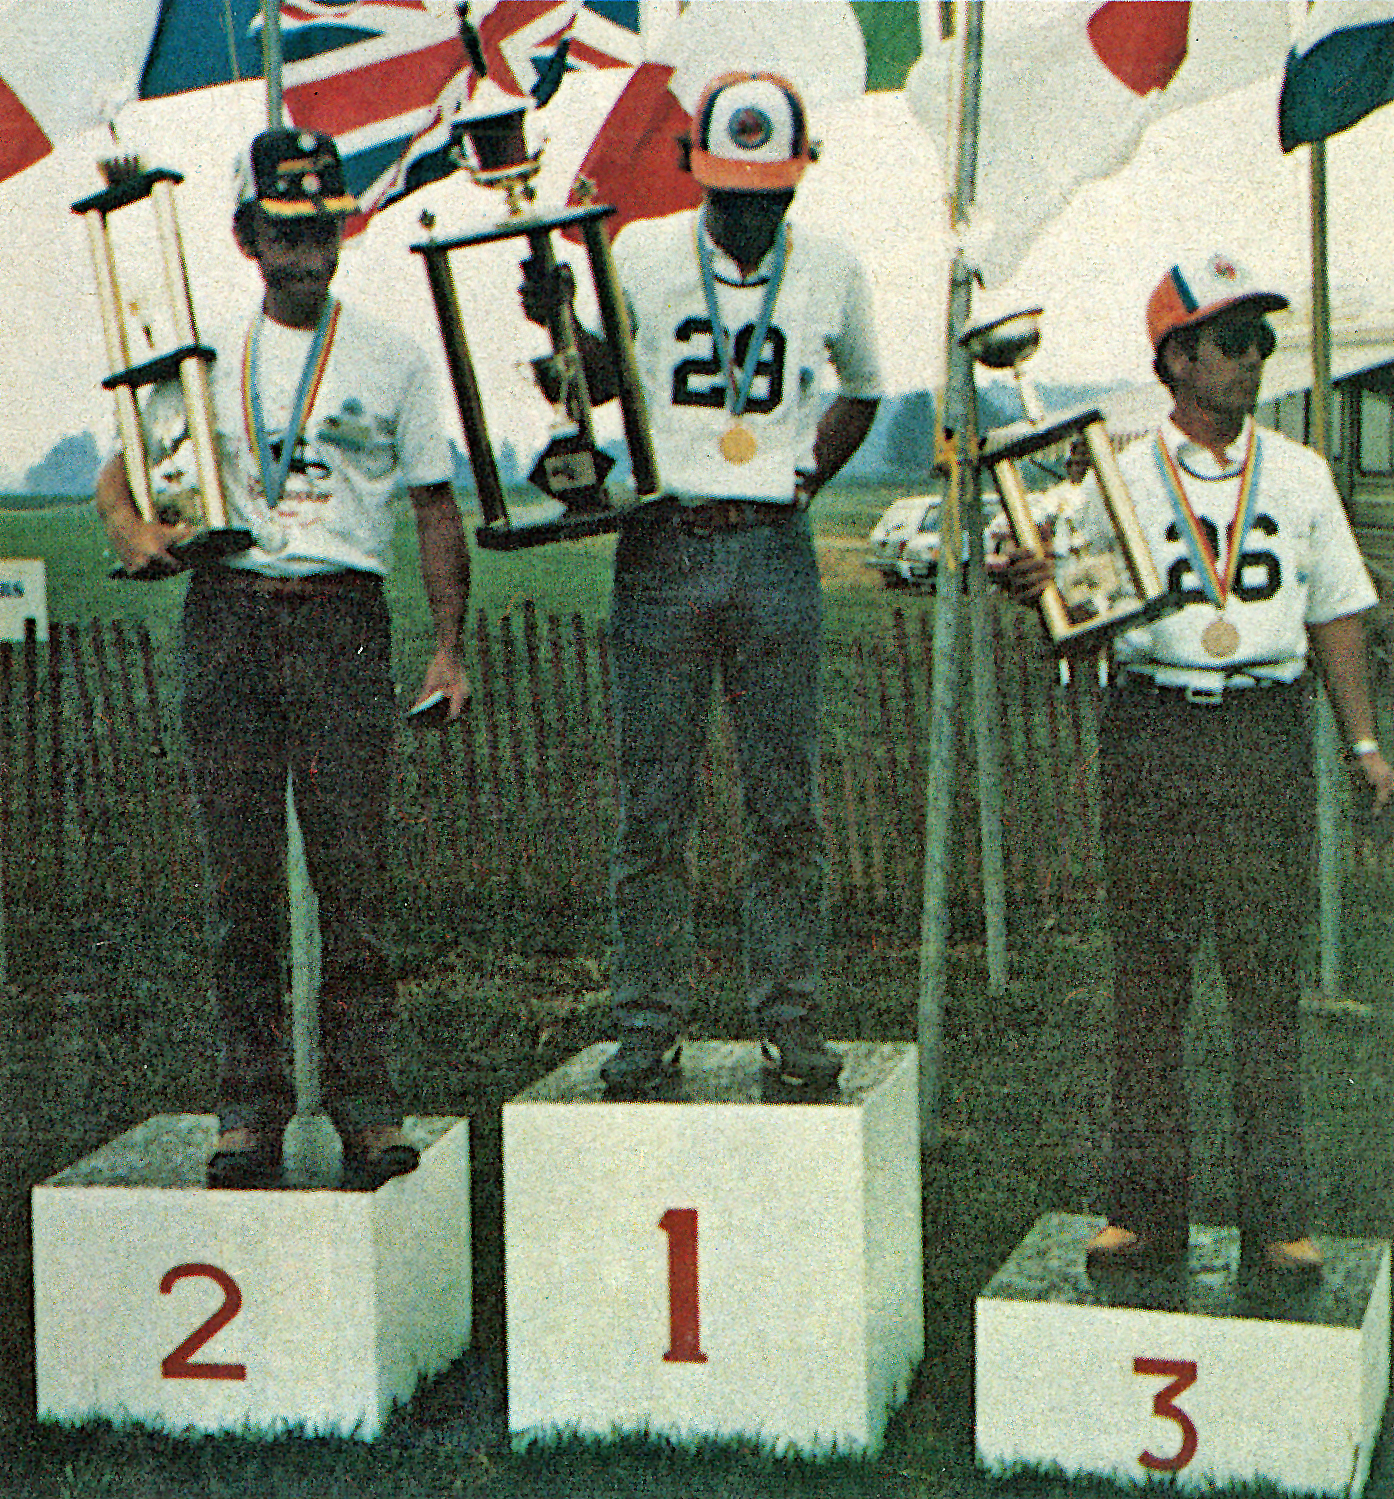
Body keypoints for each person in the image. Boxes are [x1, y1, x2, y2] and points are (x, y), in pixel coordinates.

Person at [95, 128, 471, 1188]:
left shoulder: (393, 357)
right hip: (229, 616)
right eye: (284, 233)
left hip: (342, 617)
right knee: (242, 879)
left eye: (322, 230)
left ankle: (365, 1106)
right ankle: (250, 1108)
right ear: (245, 237)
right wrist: (135, 534)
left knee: (353, 879)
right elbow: (120, 475)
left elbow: (435, 507)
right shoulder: (203, 356)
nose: (306, 252)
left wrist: (448, 648)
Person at [1007, 251, 1394, 1276]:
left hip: (1263, 731)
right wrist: (1042, 583)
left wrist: (1362, 742)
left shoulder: (1300, 472)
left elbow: (1336, 612)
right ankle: (1144, 1213)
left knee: (1265, 981)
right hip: (1155, 729)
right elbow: (1080, 611)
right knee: (1149, 980)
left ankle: (1276, 1218)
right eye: (1232, 340)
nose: (1254, 357)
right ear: (1176, 359)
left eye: (1260, 338)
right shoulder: (1123, 475)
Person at [524, 72, 881, 1094]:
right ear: (694, 173)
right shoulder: (640, 251)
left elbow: (863, 388)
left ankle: (790, 1019)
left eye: (769, 197)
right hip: (664, 539)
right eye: (731, 195)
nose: (750, 217)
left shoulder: (831, 265)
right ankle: (646, 1025)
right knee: (653, 805)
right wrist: (559, 322)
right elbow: (595, 381)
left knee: (785, 805)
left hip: (771, 544)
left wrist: (806, 475)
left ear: (798, 181)